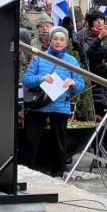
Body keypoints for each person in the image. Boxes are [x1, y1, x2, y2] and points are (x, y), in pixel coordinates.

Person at [22, 26, 85, 177]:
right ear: (49, 40)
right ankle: (28, 171)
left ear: (66, 42)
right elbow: (26, 80)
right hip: (39, 106)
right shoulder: (39, 57)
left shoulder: (71, 61)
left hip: (60, 107)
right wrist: (41, 78)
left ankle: (57, 174)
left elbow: (81, 85)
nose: (58, 42)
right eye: (55, 39)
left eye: (62, 39)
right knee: (31, 140)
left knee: (59, 142)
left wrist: (73, 83)